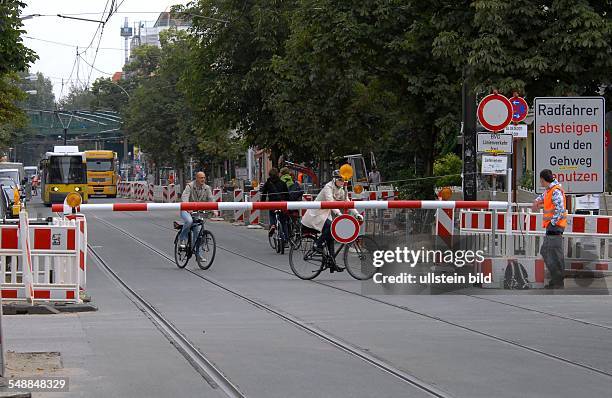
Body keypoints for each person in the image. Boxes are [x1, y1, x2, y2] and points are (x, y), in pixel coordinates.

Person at [301, 170, 363, 272]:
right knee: (331, 228)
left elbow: (347, 202)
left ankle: (332, 263)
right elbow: (330, 202)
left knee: (331, 237)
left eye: (344, 180)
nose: (342, 182)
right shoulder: (328, 187)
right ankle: (317, 244)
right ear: (334, 179)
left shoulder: (341, 189)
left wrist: (356, 214)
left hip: (325, 214)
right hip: (316, 214)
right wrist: (339, 214)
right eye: (340, 180)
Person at [532, 169, 567, 289]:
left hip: (555, 227)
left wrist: (552, 222)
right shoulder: (549, 190)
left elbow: (560, 209)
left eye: (540, 181)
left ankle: (558, 281)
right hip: (552, 227)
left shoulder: (555, 191)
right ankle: (556, 279)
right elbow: (542, 197)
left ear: (543, 179)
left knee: (555, 254)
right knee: (547, 252)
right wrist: (536, 202)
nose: (540, 183)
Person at [178, 171, 213, 249]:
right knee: (189, 221)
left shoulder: (207, 188)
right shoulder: (190, 186)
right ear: (196, 178)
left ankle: (198, 253)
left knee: (198, 231)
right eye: (201, 178)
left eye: (204, 178)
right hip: (186, 209)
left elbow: (211, 200)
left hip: (197, 212)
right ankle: (182, 239)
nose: (203, 179)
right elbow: (184, 197)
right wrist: (187, 207)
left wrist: (214, 209)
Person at [260, 168, 289, 240]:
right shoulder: (282, 183)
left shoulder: (268, 183)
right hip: (281, 204)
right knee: (283, 222)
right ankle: (286, 238)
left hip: (272, 203)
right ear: (278, 174)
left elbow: (264, 194)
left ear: (270, 175)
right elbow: (287, 195)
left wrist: (262, 203)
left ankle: (272, 225)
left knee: (272, 214)